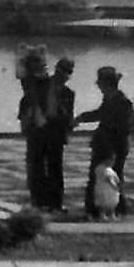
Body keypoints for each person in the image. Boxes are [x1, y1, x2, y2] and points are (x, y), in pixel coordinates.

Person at [79, 65, 134, 217]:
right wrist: (82, 118)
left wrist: (112, 151)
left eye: (100, 82)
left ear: (106, 84)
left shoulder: (123, 103)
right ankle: (96, 208)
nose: (98, 85)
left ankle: (115, 207)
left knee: (112, 178)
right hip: (102, 144)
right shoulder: (109, 99)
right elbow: (100, 114)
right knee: (97, 177)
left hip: (114, 147)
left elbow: (122, 129)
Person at [36, 57, 78, 212]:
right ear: (57, 69)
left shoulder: (69, 93)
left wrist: (69, 123)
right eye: (62, 72)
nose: (64, 76)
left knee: (56, 169)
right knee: (39, 168)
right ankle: (39, 203)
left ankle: (56, 204)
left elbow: (68, 117)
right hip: (40, 130)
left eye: (68, 74)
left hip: (56, 132)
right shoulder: (42, 85)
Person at [15, 47, 54, 209]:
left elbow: (20, 72)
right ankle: (42, 199)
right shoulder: (43, 83)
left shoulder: (32, 84)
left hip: (37, 126)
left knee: (36, 165)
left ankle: (38, 199)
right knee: (41, 165)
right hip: (40, 126)